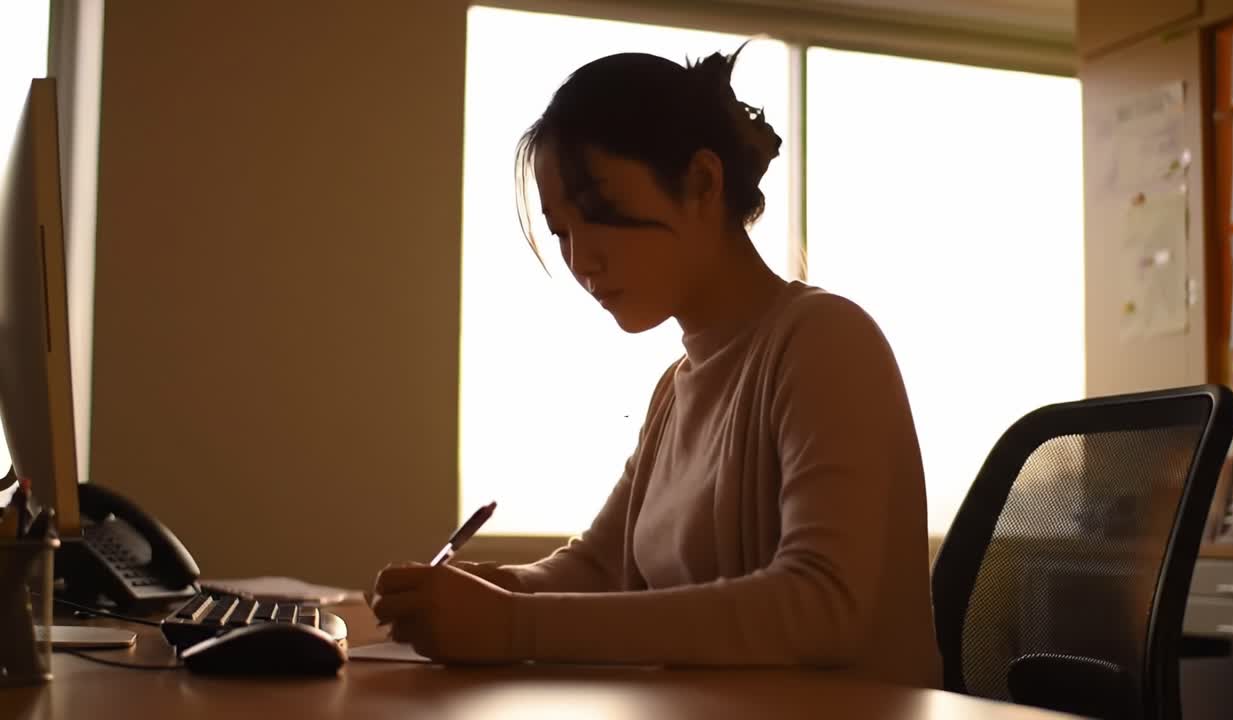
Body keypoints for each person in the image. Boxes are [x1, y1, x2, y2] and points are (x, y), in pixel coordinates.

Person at [371, 45, 941, 688]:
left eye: (603, 213)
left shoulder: (825, 340)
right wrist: (494, 591)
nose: (582, 258)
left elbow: (823, 607)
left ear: (702, 182)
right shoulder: (674, 390)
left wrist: (512, 624)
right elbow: (599, 568)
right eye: (561, 232)